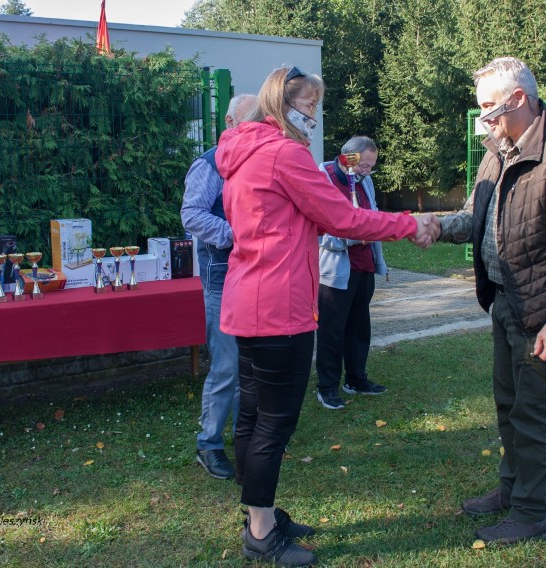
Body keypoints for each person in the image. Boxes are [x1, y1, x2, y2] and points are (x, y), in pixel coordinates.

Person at [215, 66, 433, 567]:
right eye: (309, 106)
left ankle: (257, 514)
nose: (313, 117)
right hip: (279, 308)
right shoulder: (283, 153)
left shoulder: (241, 151)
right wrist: (410, 223)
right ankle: (262, 534)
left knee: (251, 415)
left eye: (316, 106)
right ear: (282, 104)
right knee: (273, 422)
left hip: (247, 301)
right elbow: (343, 216)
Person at [424, 57, 546, 545]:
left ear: (519, 98)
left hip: (542, 309)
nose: (483, 117)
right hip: (505, 299)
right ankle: (511, 489)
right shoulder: (498, 149)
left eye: (489, 107)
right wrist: (437, 225)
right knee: (508, 403)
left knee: (533, 410)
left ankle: (532, 512)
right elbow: (473, 217)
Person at [181, 94, 256, 479]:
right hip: (223, 277)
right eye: (249, 120)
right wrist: (236, 234)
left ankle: (246, 440)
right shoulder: (209, 163)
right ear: (229, 121)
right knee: (227, 366)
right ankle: (209, 444)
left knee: (250, 364)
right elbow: (191, 215)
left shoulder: (256, 159)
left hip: (256, 275)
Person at [315, 136, 387, 410]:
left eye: (371, 166)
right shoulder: (323, 177)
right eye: (364, 166)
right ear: (348, 157)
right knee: (332, 330)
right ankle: (327, 387)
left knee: (359, 326)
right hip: (335, 270)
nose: (367, 171)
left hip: (363, 266)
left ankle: (356, 379)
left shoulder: (365, 180)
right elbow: (321, 227)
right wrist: (356, 238)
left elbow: (372, 214)